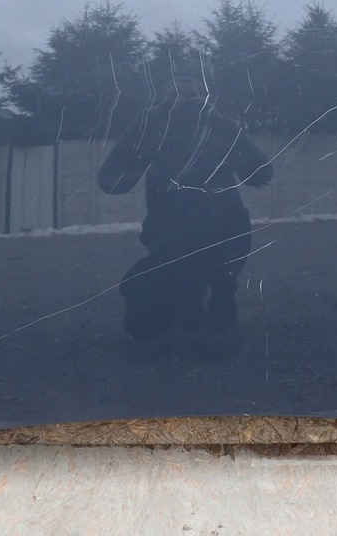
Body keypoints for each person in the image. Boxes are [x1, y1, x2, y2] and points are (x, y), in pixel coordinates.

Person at [98, 78, 272, 358]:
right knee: (167, 307)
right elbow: (261, 173)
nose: (186, 103)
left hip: (194, 226)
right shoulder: (193, 123)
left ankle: (209, 311)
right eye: (183, 95)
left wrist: (145, 162)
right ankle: (204, 311)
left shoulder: (167, 124)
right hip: (201, 226)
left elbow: (261, 172)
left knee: (197, 285)